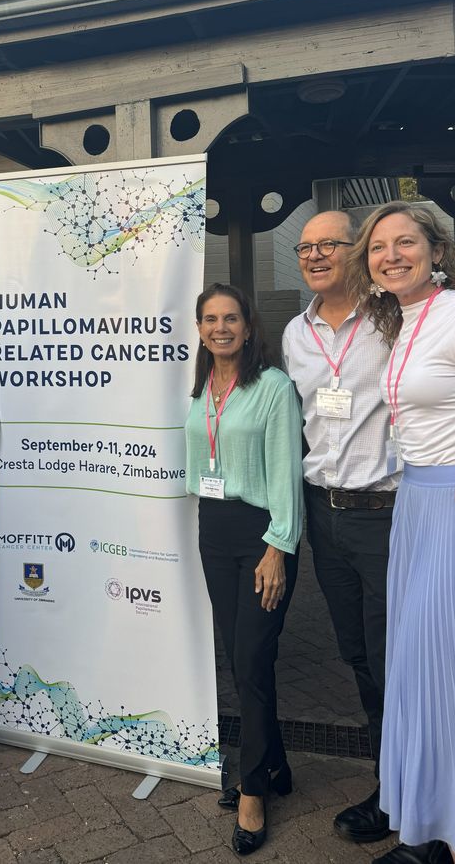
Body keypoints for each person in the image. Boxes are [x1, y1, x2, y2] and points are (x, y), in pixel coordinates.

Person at [281, 211, 445, 864]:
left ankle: (432, 819)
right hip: (327, 514)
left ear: (357, 251)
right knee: (360, 658)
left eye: (332, 243)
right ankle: (392, 787)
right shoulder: (296, 333)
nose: (318, 254)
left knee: (406, 661)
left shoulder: (398, 316)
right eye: (306, 246)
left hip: (390, 512)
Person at [347, 202, 455, 864]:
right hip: (417, 506)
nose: (391, 254)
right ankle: (449, 829)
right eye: (378, 247)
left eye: (405, 241)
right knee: (422, 674)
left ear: (436, 249)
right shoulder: (400, 319)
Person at [185, 283, 303, 857]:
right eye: (210, 319)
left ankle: (254, 789)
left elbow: (286, 472)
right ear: (200, 328)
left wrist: (278, 546)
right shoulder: (201, 387)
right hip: (214, 529)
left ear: (248, 327)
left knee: (252, 661)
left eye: (230, 318)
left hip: (261, 536)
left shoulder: (273, 387)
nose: (220, 327)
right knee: (241, 658)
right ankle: (276, 764)